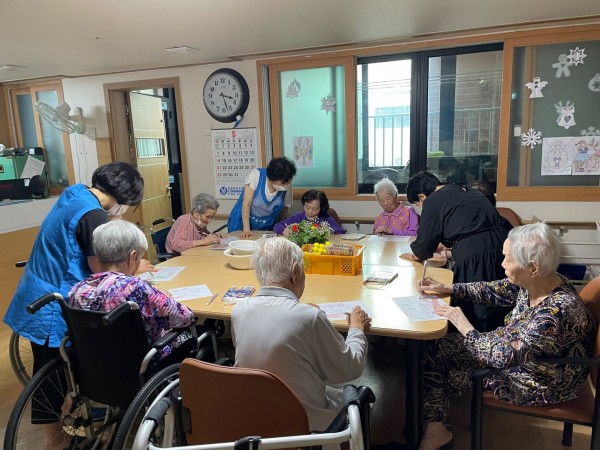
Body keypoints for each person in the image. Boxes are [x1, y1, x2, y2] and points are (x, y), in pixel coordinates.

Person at [416, 222, 597, 450]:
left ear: (533, 268)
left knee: (442, 359)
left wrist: (463, 325)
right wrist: (450, 289)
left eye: (508, 259)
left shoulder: (555, 313)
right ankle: (437, 421)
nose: (502, 264)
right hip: (519, 355)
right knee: (439, 346)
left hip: (538, 380)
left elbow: (500, 357)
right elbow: (497, 289)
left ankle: (436, 428)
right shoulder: (544, 280)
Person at [4, 162, 149, 374]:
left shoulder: (76, 192)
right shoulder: (93, 214)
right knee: (55, 372)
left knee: (47, 366)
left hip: (37, 287)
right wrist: (135, 267)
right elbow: (102, 270)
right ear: (124, 197)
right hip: (54, 302)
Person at [231, 237, 371, 430]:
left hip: (255, 419)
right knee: (359, 399)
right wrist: (356, 328)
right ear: (296, 272)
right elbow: (349, 367)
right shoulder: (308, 317)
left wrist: (303, 311)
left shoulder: (239, 311)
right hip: (304, 425)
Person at [69, 220, 195, 362]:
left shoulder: (76, 290)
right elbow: (185, 317)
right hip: (144, 364)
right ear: (133, 256)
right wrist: (165, 298)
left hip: (98, 364)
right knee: (194, 334)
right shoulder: (134, 288)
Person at [401, 171, 512, 332]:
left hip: (476, 256)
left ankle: (474, 339)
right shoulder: (468, 191)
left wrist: (416, 254)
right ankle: (499, 335)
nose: (421, 208)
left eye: (418, 205)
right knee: (499, 296)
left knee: (475, 307)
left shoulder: (433, 200)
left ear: (421, 197)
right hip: (504, 247)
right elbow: (468, 227)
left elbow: (424, 245)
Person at [227, 157, 297, 238]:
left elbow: (284, 208)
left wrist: (280, 228)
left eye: (289, 181)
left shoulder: (287, 185)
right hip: (242, 223)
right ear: (273, 179)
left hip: (266, 225)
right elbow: (246, 204)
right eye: (283, 183)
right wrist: (246, 230)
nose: (287, 185)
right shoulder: (256, 175)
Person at [273, 189, 346, 236]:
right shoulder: (298, 217)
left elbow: (340, 230)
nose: (310, 211)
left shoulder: (325, 218)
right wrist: (284, 230)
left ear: (321, 207)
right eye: (307, 207)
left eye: (314, 209)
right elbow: (277, 225)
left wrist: (324, 231)